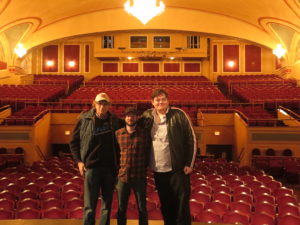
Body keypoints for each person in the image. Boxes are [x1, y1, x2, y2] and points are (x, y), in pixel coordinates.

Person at [140, 88, 197, 225]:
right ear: (152, 102)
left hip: (178, 168)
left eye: (163, 99)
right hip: (158, 169)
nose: (160, 102)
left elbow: (191, 139)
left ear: (168, 101)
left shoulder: (179, 114)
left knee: (181, 204)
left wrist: (189, 163)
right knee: (166, 204)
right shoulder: (147, 116)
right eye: (157, 100)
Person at [69, 92, 123, 225]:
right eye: (100, 103)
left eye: (105, 103)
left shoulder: (116, 121)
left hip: (110, 169)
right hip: (91, 167)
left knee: (107, 204)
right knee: (89, 205)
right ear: (94, 104)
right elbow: (73, 142)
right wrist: (79, 162)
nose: (102, 106)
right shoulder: (84, 119)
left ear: (109, 105)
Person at [115, 107, 151, 225]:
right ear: (124, 117)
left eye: (133, 115)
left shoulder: (144, 134)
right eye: (128, 115)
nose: (130, 118)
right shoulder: (118, 134)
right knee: (121, 209)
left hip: (139, 177)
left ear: (137, 117)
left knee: (142, 208)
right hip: (123, 177)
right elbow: (115, 155)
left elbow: (148, 152)